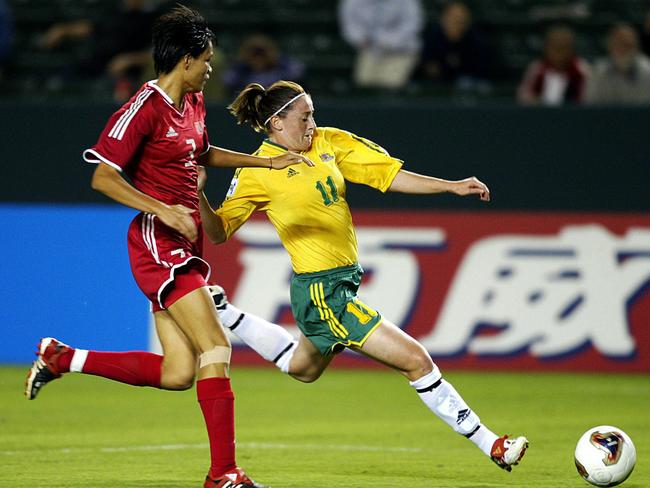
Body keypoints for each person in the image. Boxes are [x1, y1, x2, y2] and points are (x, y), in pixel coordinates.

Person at [24, 7, 311, 488]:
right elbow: (102, 176)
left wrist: (266, 164)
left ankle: (63, 357)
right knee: (216, 346)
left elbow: (202, 153)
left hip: (184, 242)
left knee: (180, 372)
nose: (211, 68)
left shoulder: (193, 103)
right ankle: (224, 475)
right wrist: (159, 208)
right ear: (185, 60)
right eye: (207, 60)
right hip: (158, 245)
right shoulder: (144, 107)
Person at [198, 80, 529, 474]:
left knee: (302, 369)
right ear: (276, 123)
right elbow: (218, 232)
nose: (311, 124)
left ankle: (227, 314)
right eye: (304, 117)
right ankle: (491, 443)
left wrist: (451, 186)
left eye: (313, 114)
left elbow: (389, 176)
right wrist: (199, 194)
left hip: (336, 284)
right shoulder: (256, 171)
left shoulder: (328, 141)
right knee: (416, 361)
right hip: (323, 292)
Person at [38, 0, 161, 101]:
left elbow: (159, 52)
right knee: (58, 81)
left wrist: (129, 60)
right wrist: (63, 30)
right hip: (98, 63)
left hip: (129, 72)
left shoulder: (153, 18)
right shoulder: (114, 12)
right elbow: (91, 27)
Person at [339, 0, 424, 90]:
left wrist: (389, 40)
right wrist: (360, 38)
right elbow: (349, 24)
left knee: (389, 85)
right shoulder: (352, 2)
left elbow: (413, 24)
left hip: (402, 51)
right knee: (363, 83)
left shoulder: (408, 2)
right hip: (371, 50)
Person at [418, 1, 492, 89]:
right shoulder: (432, 37)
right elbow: (429, 67)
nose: (456, 22)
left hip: (469, 83)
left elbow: (480, 69)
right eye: (453, 18)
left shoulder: (476, 40)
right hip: (438, 84)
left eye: (461, 19)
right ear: (443, 19)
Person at [517, 25, 589, 105]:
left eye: (564, 47)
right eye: (555, 47)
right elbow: (523, 96)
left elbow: (590, 100)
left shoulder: (582, 69)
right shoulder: (536, 68)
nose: (560, 53)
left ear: (572, 49)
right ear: (546, 48)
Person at [585, 23, 650, 105]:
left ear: (636, 47)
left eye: (627, 45)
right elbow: (591, 106)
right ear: (610, 46)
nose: (622, 49)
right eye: (618, 44)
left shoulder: (647, 71)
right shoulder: (598, 71)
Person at [223, 33, 304, 95]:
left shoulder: (282, 66)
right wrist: (242, 60)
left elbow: (298, 71)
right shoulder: (241, 70)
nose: (259, 58)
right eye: (255, 53)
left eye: (262, 53)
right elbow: (227, 80)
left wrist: (274, 57)